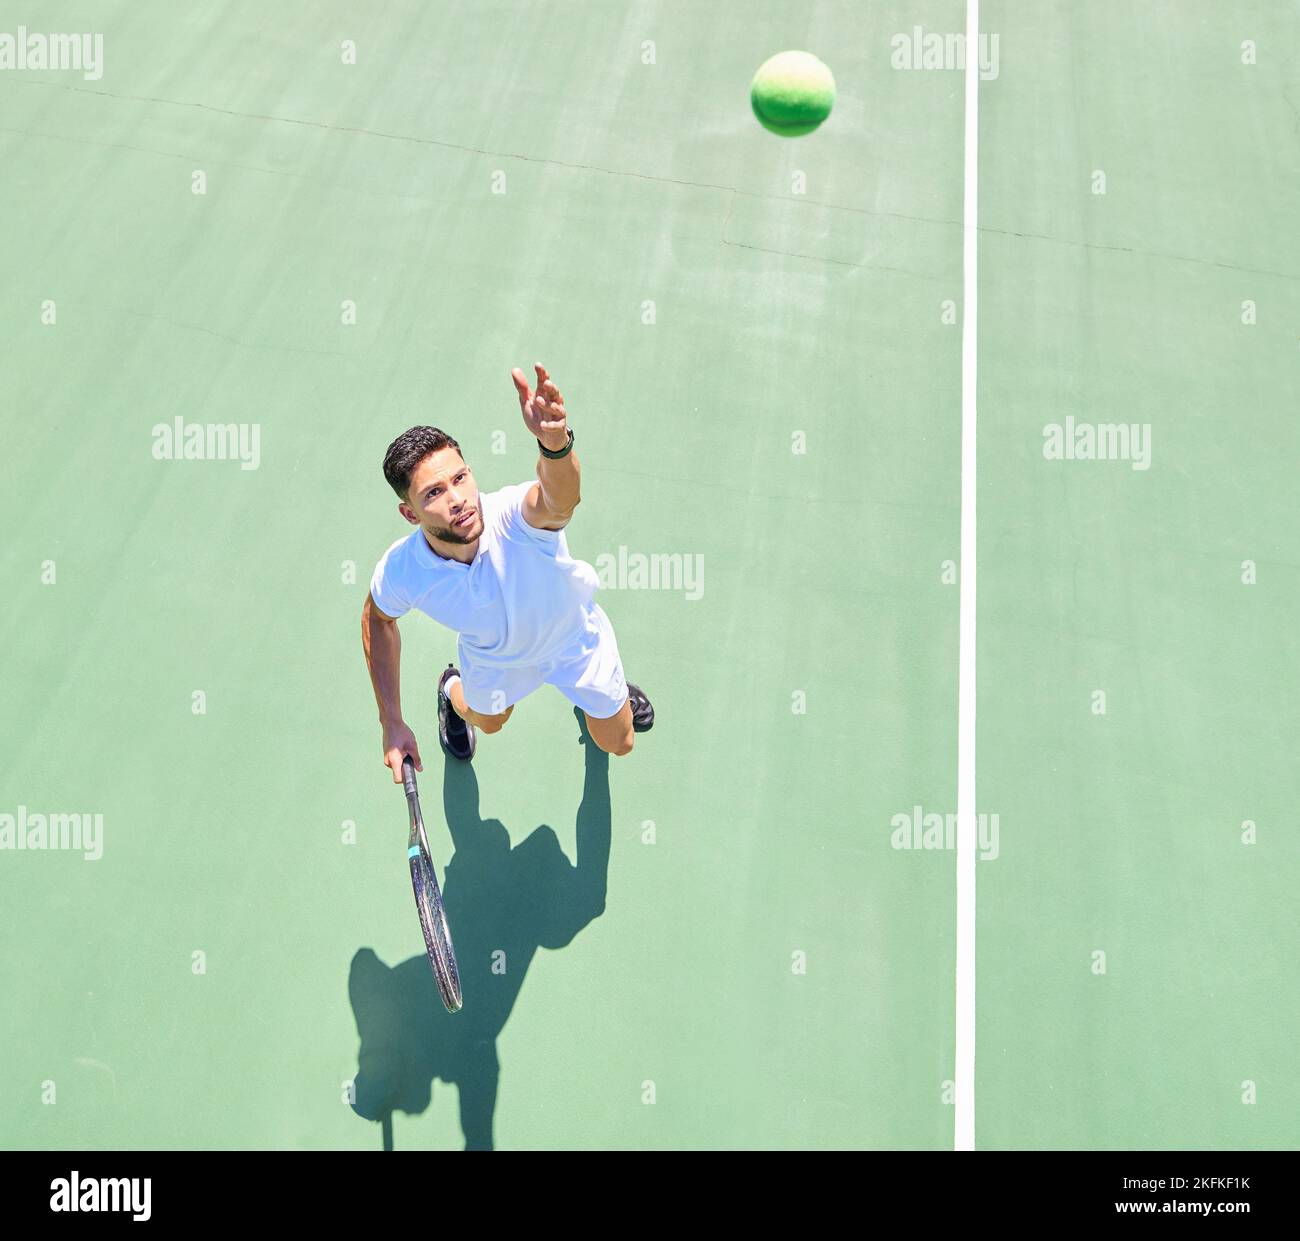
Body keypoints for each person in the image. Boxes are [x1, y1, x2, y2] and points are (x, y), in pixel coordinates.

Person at [361, 364, 654, 780]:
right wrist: (390, 720)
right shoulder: (403, 569)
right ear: (410, 514)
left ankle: (609, 696)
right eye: (434, 493)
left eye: (461, 478)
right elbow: (377, 618)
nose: (459, 499)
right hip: (496, 661)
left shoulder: (516, 518)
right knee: (492, 721)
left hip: (574, 643)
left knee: (619, 743)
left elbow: (560, 500)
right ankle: (450, 687)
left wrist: (555, 445)